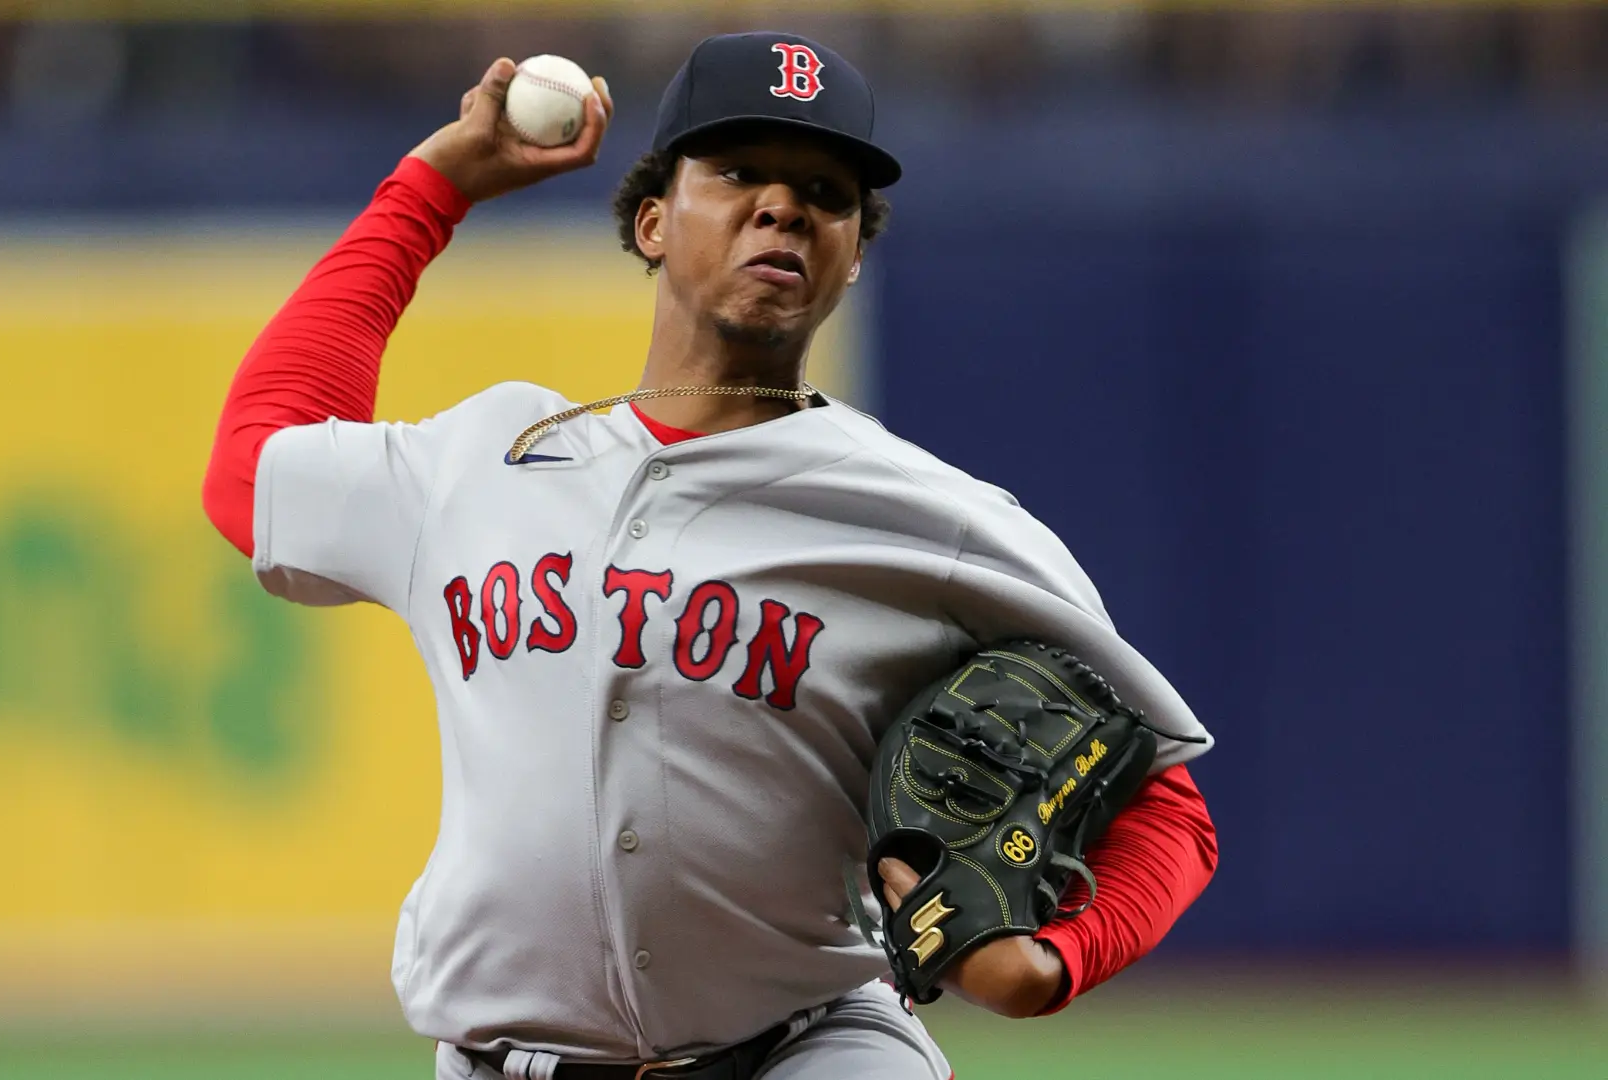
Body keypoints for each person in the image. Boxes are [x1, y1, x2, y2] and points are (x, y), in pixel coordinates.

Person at [204, 31, 1218, 1080]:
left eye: (824, 192)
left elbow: (1166, 800)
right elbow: (250, 474)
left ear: (852, 255)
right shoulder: (488, 456)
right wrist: (428, 193)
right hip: (501, 1056)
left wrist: (1053, 961)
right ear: (653, 220)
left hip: (809, 1051)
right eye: (737, 173)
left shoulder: (931, 518)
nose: (781, 207)